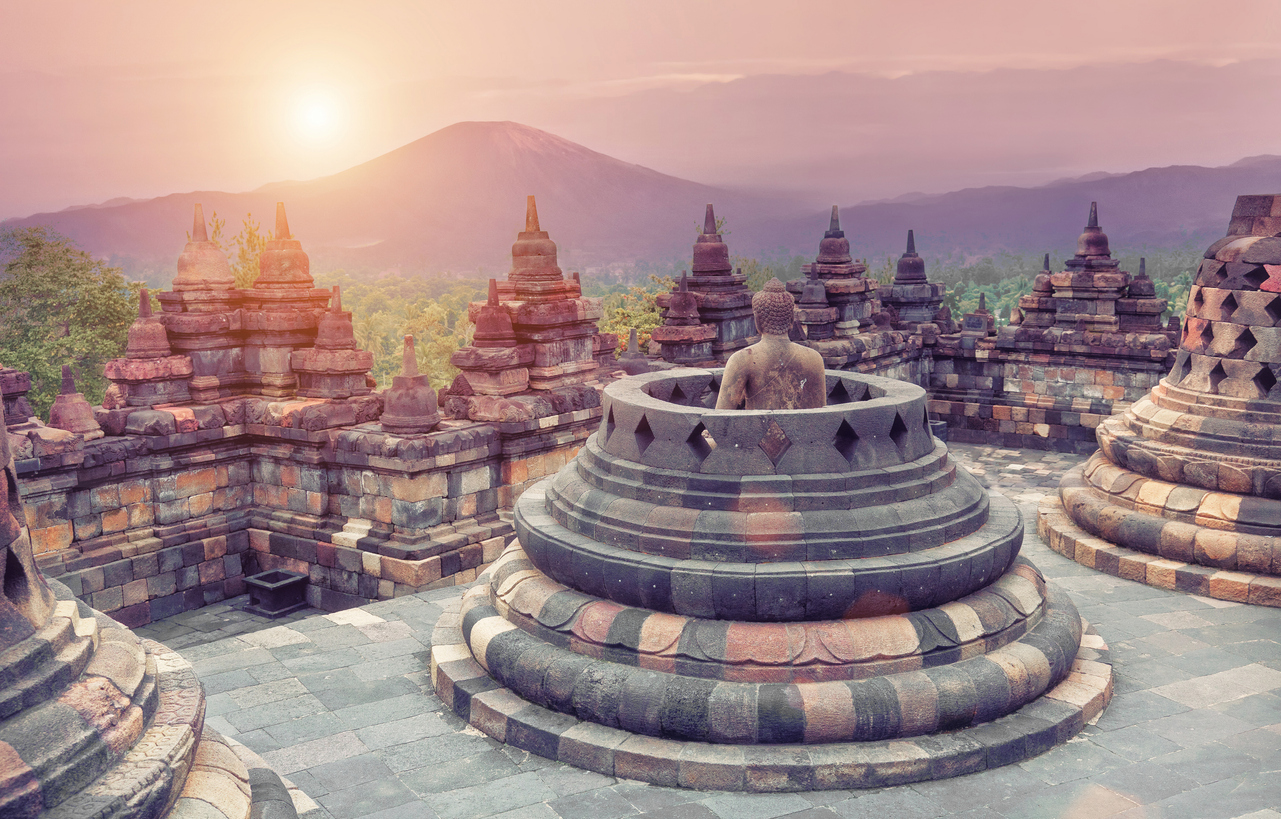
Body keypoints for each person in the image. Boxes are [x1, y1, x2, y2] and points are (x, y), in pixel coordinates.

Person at [716, 278, 826, 410]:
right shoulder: (814, 359)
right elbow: (821, 415)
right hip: (804, 431)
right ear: (791, 319)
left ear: (757, 320)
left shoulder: (742, 359)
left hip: (758, 430)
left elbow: (720, 418)